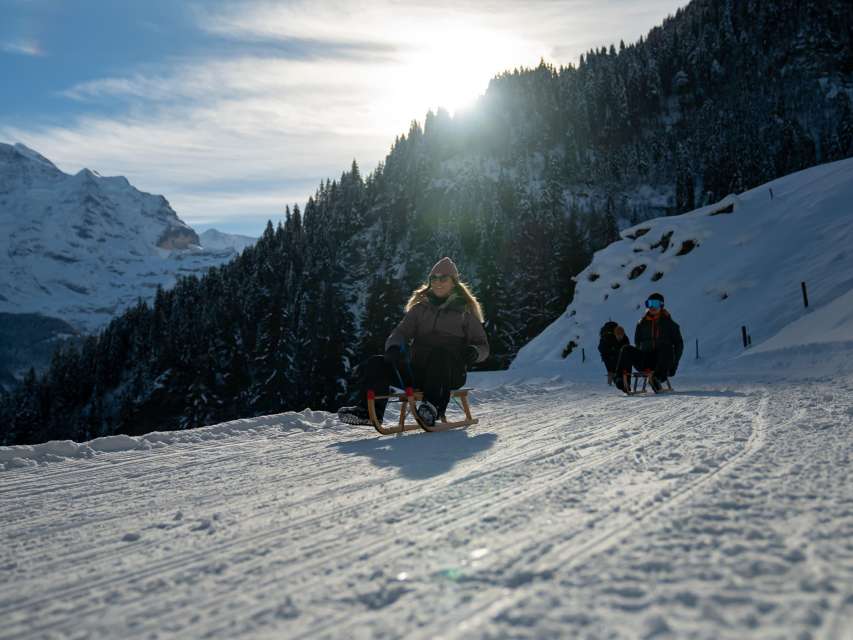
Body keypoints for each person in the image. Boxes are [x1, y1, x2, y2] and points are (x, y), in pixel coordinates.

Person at [337, 257, 489, 427]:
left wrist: (474, 351)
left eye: (443, 278)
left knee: (440, 353)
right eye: (434, 278)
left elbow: (483, 345)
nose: (438, 282)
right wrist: (394, 347)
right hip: (418, 371)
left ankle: (432, 407)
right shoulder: (420, 309)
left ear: (454, 282)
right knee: (378, 362)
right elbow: (401, 332)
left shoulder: (465, 312)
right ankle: (369, 412)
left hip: (449, 373)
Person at [626, 292, 683, 392]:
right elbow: (637, 342)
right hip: (646, 360)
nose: (652, 307)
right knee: (626, 349)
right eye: (649, 304)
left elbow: (679, 344)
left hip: (662, 362)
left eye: (655, 304)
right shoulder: (641, 323)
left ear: (661, 305)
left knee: (666, 347)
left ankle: (657, 379)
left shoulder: (670, 324)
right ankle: (621, 381)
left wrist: (674, 363)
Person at [598, 321, 631, 391]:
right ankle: (617, 381)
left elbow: (628, 347)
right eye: (618, 336)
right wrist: (611, 352)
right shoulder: (608, 338)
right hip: (608, 356)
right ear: (615, 334)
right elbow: (601, 348)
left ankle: (626, 383)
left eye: (621, 336)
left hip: (619, 356)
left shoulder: (625, 338)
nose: (620, 338)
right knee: (613, 369)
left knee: (624, 365)